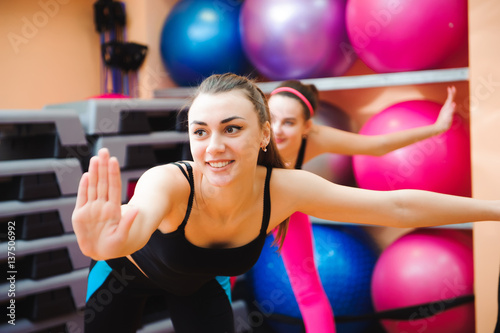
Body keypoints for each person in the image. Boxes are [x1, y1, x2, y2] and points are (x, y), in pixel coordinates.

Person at [73, 73, 500, 333]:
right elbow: (137, 218)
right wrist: (103, 245)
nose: (213, 146)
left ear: (263, 135)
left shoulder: (287, 188)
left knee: (306, 286)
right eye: (200, 132)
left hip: (199, 283)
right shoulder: (168, 182)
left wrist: (495, 209)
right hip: (123, 280)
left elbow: (397, 207)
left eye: (232, 128)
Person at [266, 80, 457, 333]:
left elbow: (377, 146)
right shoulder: (254, 132)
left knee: (308, 291)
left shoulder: (316, 139)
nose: (276, 129)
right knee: (222, 270)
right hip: (246, 204)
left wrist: (436, 128)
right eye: (271, 118)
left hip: (287, 203)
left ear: (307, 127)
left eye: (289, 122)